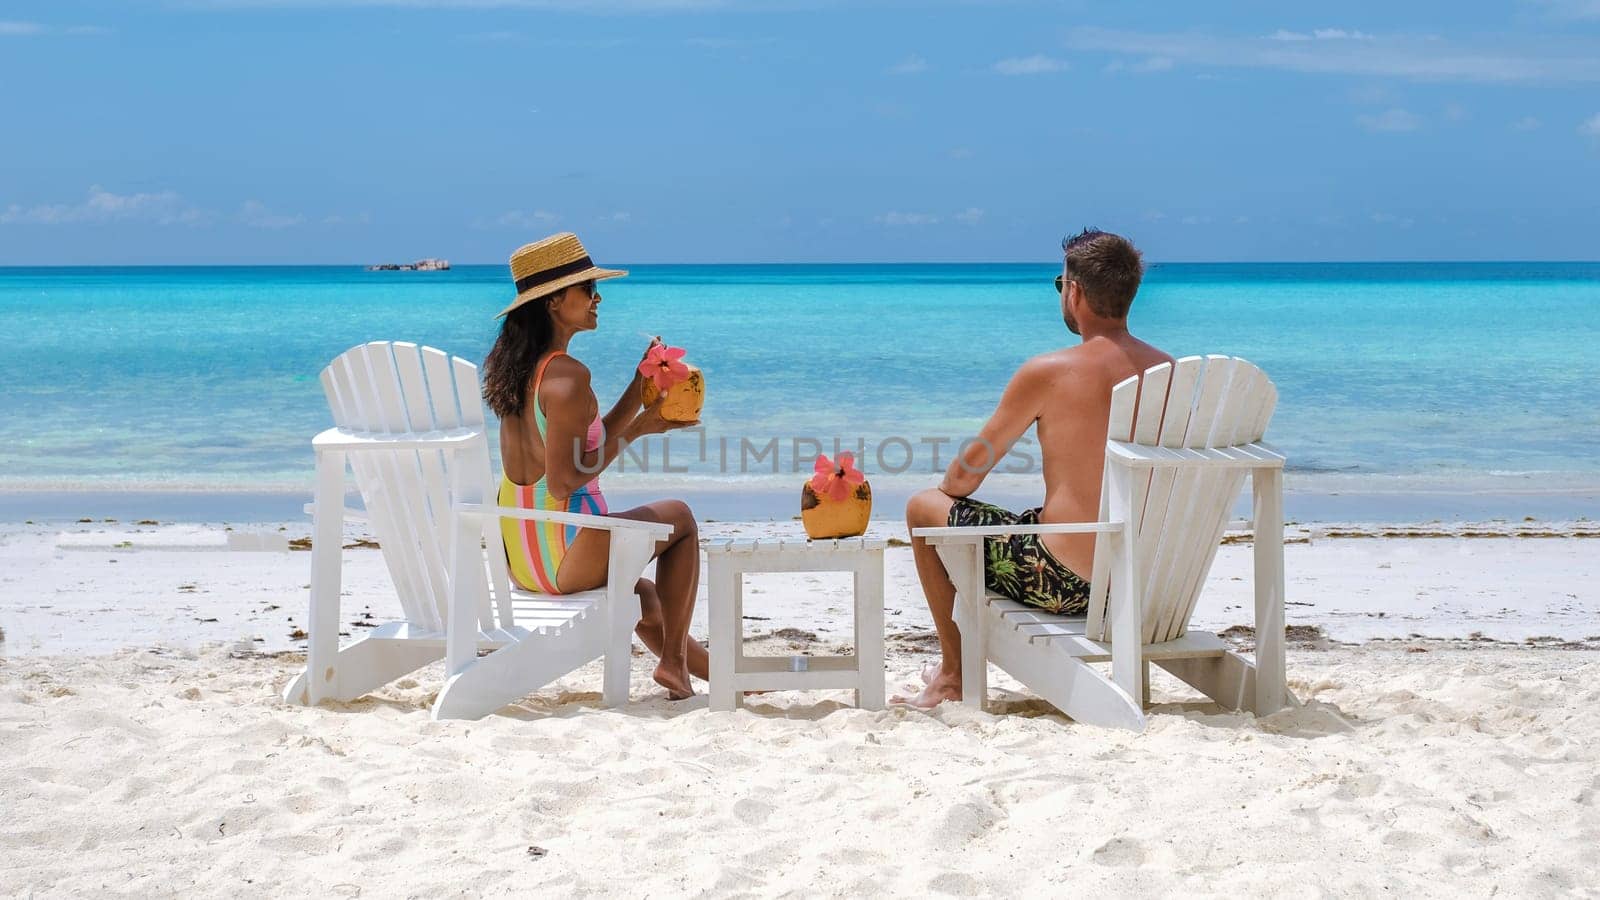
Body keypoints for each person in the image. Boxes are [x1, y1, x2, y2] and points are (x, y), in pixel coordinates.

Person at [900, 228, 1175, 708]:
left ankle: (953, 673)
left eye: (1058, 284)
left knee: (924, 508)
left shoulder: (1049, 371)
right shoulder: (1169, 372)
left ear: (1075, 291)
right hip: (1145, 586)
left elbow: (962, 480)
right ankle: (949, 670)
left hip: (1065, 584)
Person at [482, 232, 706, 700]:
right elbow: (564, 481)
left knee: (643, 593)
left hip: (524, 560)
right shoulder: (568, 375)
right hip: (565, 551)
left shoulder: (520, 370)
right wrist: (642, 429)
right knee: (680, 519)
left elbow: (577, 447)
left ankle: (711, 676)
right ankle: (673, 661)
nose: (597, 297)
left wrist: (637, 389)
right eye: (587, 288)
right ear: (554, 300)